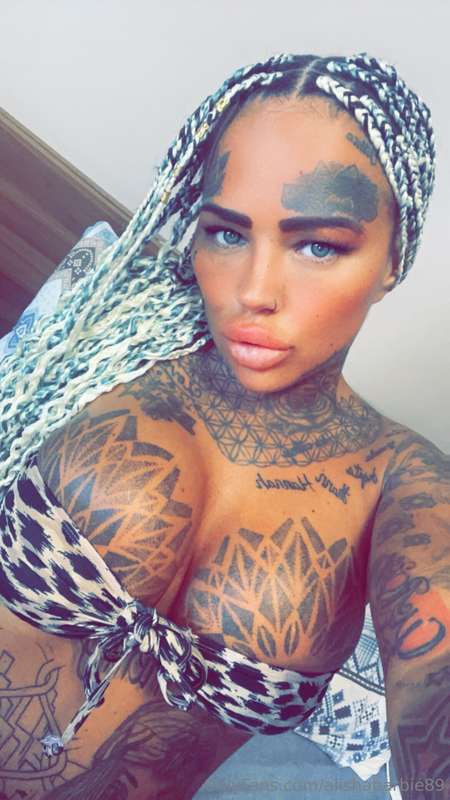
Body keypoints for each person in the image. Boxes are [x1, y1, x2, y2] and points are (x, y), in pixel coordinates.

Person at [0, 52, 448, 800]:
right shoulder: (105, 344)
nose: (254, 291)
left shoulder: (405, 485)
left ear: (392, 258)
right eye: (228, 234)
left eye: (318, 245)